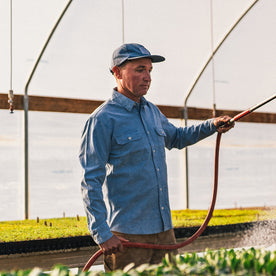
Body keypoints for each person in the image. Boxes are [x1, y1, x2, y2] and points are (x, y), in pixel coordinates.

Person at [79, 43, 234, 271]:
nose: (147, 77)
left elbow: (177, 138)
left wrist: (212, 125)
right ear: (117, 72)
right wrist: (102, 234)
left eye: (150, 70)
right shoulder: (101, 119)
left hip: (164, 233)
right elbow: (90, 181)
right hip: (128, 236)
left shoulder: (151, 111)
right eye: (140, 69)